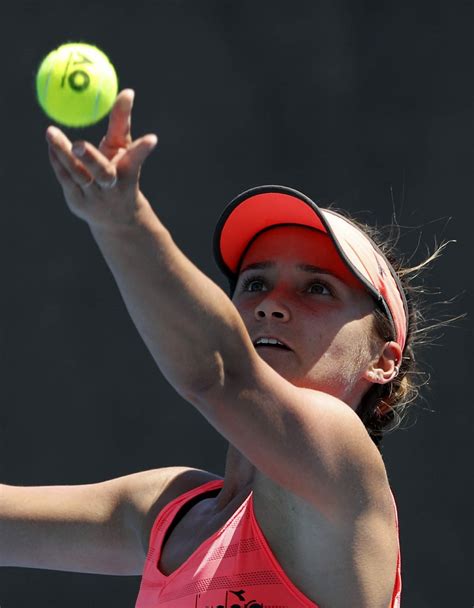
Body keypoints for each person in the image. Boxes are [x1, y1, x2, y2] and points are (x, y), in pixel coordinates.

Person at [2, 87, 434, 608]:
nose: (271, 305)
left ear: (382, 361)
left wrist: (122, 222)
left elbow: (219, 375)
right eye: (254, 283)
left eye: (317, 287)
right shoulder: (167, 508)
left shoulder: (343, 468)